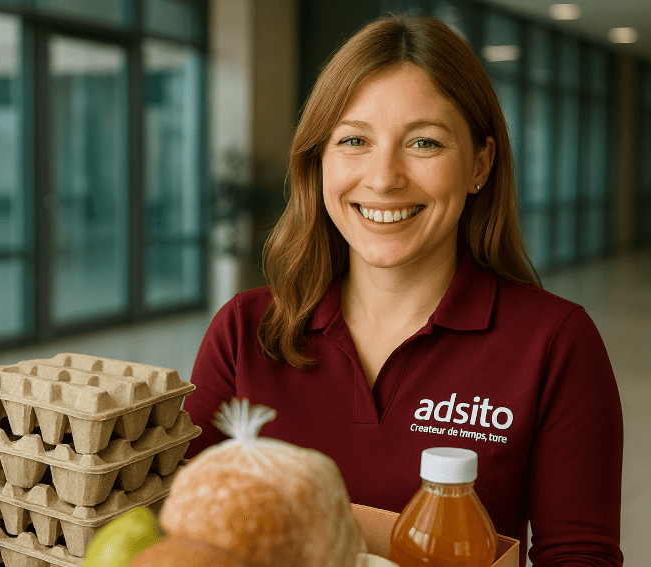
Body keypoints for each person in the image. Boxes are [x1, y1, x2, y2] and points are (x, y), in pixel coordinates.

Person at [183, 14, 623, 567]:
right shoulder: (246, 331)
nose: (383, 178)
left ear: (480, 164)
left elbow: (580, 557)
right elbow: (175, 527)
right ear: (319, 161)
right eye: (354, 140)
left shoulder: (555, 343)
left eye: (424, 142)